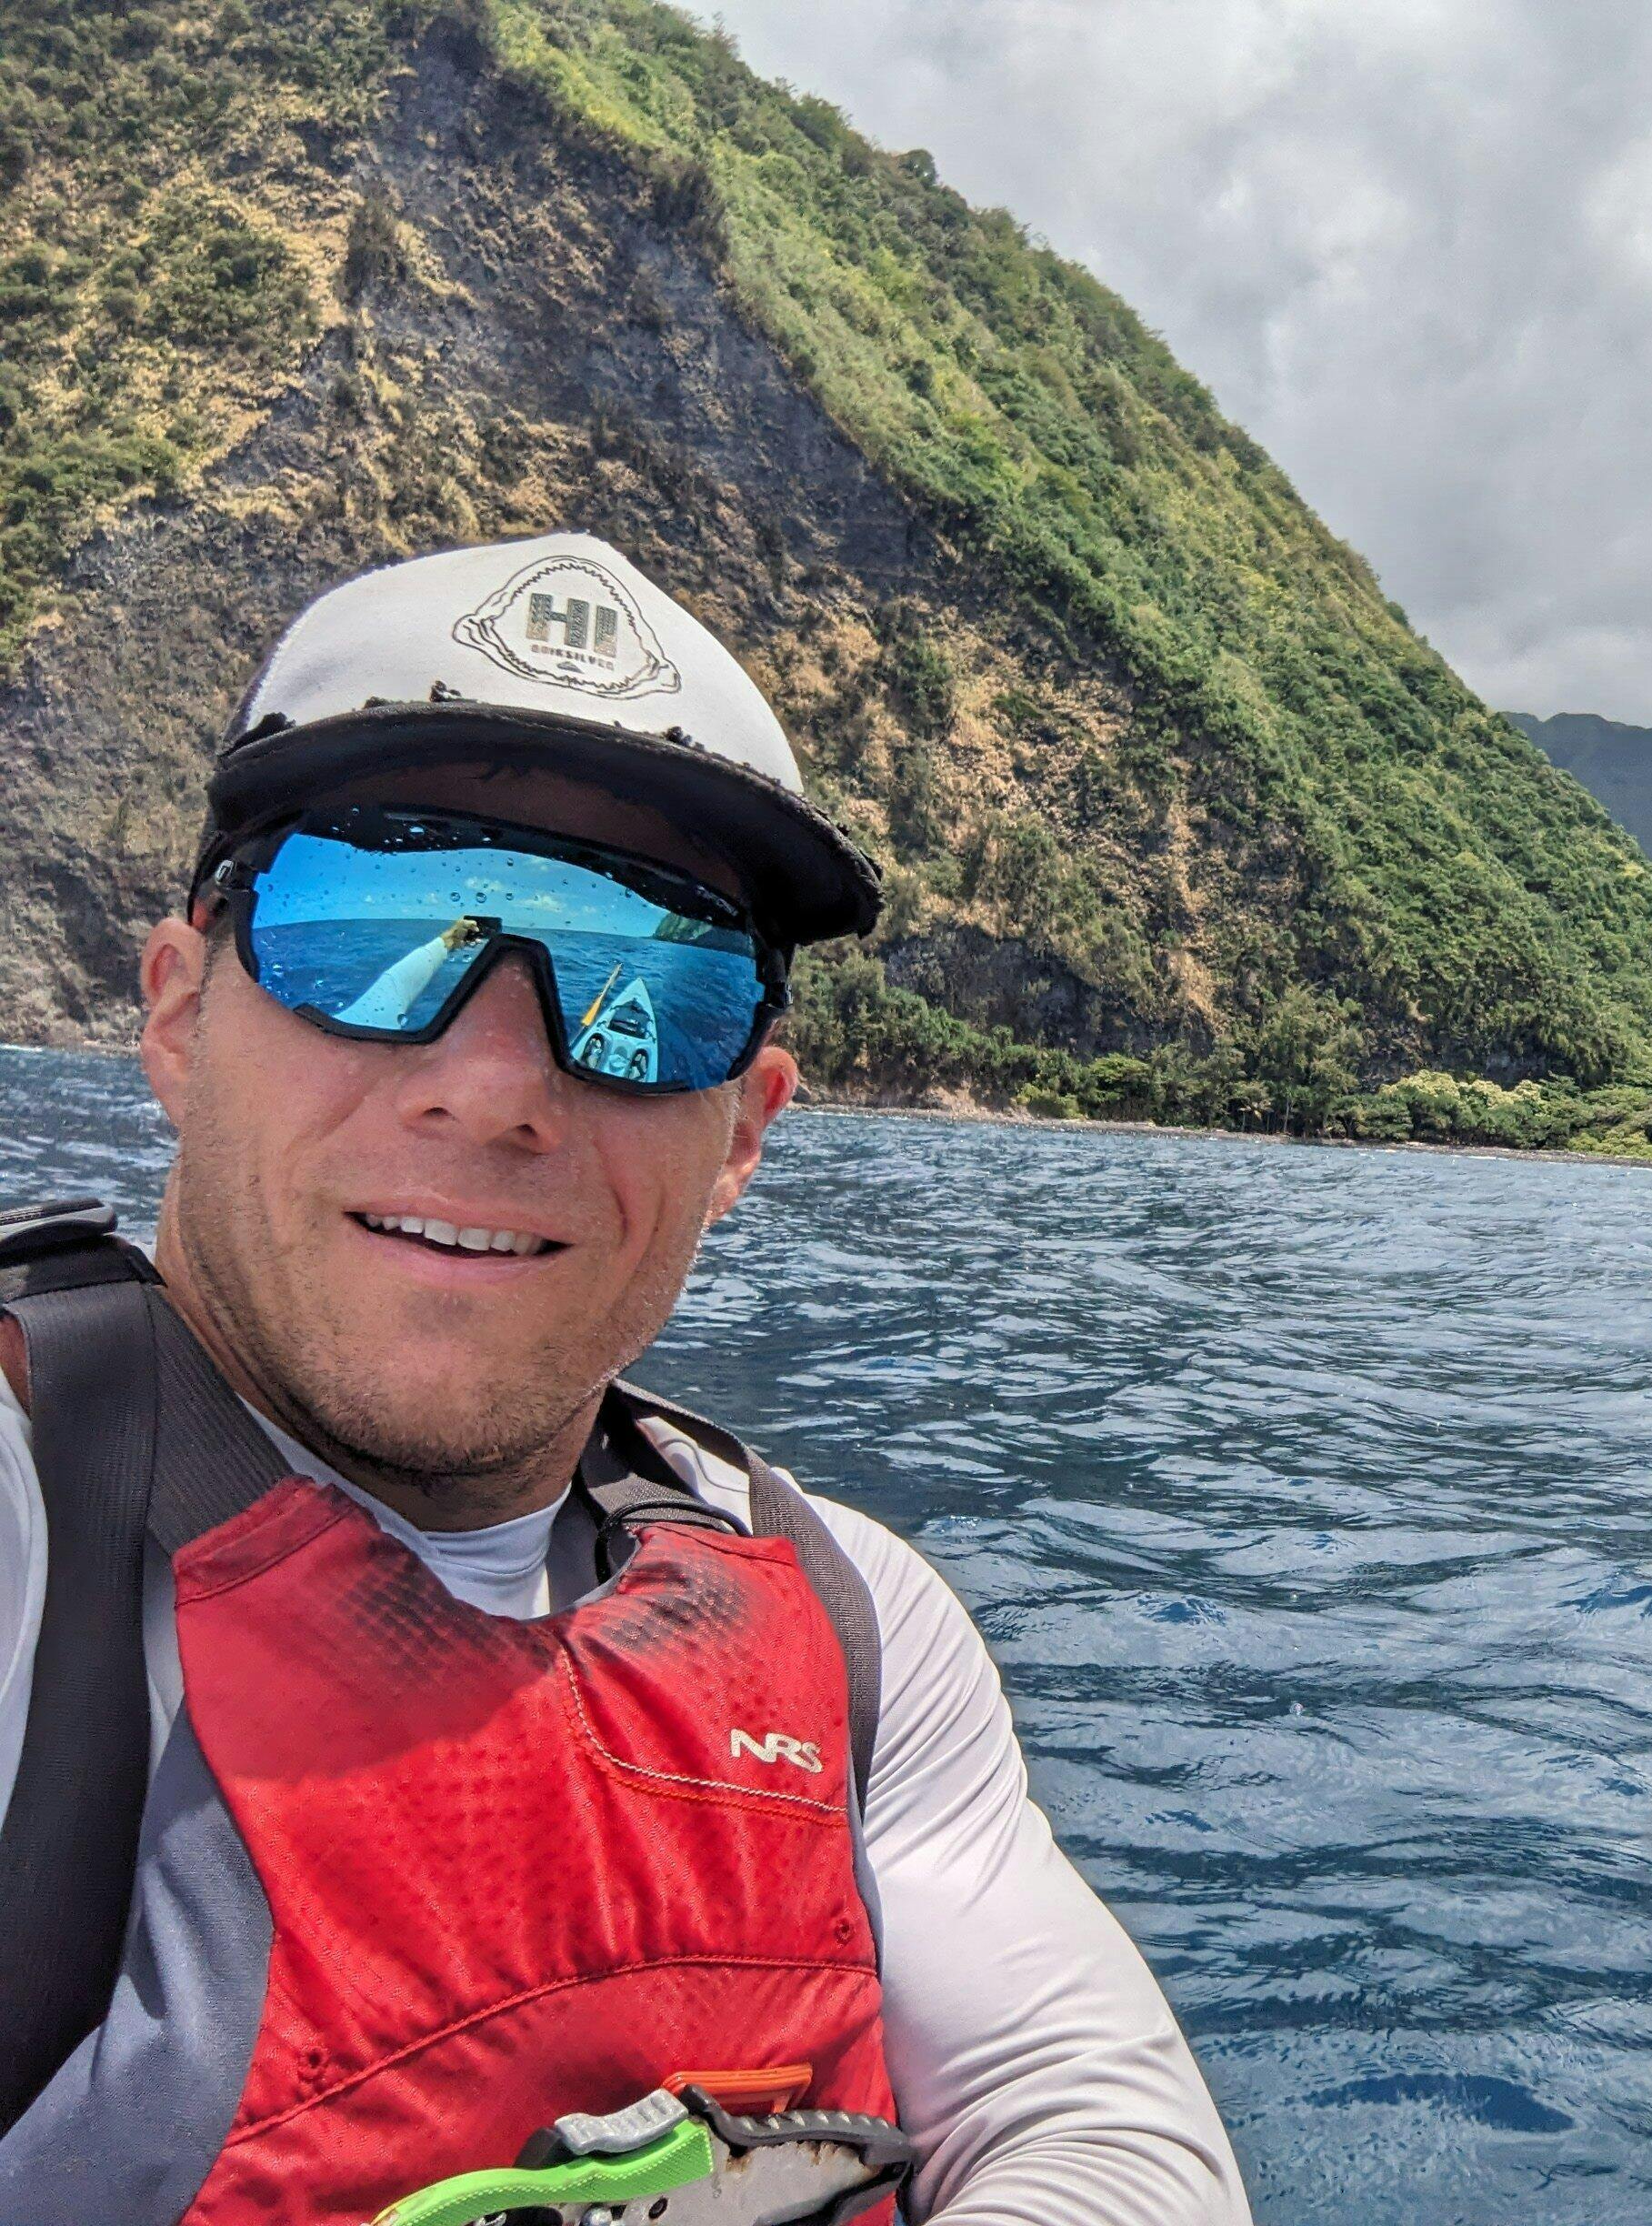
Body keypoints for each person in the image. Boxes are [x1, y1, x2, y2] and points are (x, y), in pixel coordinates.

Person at [0, 534, 1252, 2225]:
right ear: (177, 1014)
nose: (499, 1083)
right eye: (367, 929)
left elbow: (1087, 2124)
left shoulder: (858, 1621)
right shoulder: (30, 1528)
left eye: (645, 991)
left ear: (742, 1127)